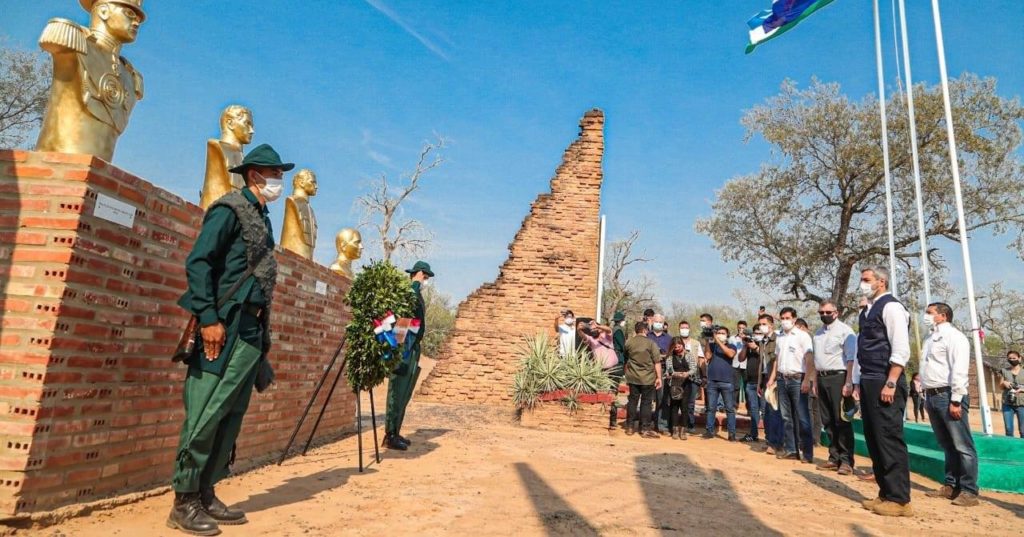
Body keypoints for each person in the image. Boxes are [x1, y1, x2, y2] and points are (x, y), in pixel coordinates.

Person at [170, 144, 293, 535]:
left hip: (252, 330)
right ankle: (184, 499)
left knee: (231, 414)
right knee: (207, 410)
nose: (279, 181)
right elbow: (200, 262)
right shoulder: (229, 209)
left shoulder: (262, 215)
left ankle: (206, 491)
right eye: (274, 174)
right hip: (223, 326)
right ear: (255, 175)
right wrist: (208, 317)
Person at [855, 266, 913, 517]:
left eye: (867, 280)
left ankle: (900, 499)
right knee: (874, 437)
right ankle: (885, 493)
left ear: (882, 282)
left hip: (884, 379)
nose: (862, 284)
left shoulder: (892, 308)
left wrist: (891, 382)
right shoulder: (867, 310)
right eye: (861, 280)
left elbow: (900, 347)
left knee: (888, 437)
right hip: (868, 379)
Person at [919, 302, 980, 507]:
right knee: (947, 444)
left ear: (943, 316)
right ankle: (951, 484)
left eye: (930, 313)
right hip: (931, 395)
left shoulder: (955, 337)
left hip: (948, 395)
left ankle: (969, 490)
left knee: (962, 445)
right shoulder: (929, 339)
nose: (926, 316)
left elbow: (959, 369)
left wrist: (956, 399)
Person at [383, 261, 434, 450]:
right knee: (397, 388)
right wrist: (399, 349)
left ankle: (395, 432)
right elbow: (403, 319)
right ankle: (390, 435)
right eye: (425, 276)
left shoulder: (417, 293)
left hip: (412, 346)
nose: (426, 280)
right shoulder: (409, 292)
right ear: (419, 274)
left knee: (405, 390)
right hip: (404, 346)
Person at [812, 301, 857, 476]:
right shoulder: (818, 334)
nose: (824, 315)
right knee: (827, 420)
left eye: (827, 312)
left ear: (836, 313)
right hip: (822, 378)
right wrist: (815, 382)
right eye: (821, 312)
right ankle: (834, 457)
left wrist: (848, 382)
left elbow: (851, 359)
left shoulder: (846, 332)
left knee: (842, 420)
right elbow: (816, 361)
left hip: (839, 377)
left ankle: (846, 461)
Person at [767, 307, 814, 463]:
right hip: (782, 379)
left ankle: (806, 452)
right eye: (782, 318)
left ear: (794, 319)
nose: (785, 321)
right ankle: (791, 449)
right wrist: (772, 378)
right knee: (786, 416)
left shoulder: (802, 336)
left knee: (802, 417)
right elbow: (777, 359)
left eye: (788, 318)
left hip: (797, 379)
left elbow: (809, 358)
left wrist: (807, 379)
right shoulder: (780, 337)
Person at [624, 322, 663, 438]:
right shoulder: (651, 343)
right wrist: (659, 378)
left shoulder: (629, 342)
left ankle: (630, 427)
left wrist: (627, 373)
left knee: (632, 401)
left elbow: (626, 359)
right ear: (645, 330)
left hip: (633, 377)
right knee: (646, 403)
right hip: (648, 378)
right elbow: (657, 362)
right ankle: (644, 428)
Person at [702, 326, 738, 440]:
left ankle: (732, 433)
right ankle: (709, 431)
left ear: (727, 335)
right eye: (718, 333)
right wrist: (708, 340)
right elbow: (707, 356)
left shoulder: (731, 346)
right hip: (712, 381)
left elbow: (730, 354)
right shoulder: (713, 345)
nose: (720, 334)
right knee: (711, 408)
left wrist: (716, 340)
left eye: (723, 333)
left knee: (729, 409)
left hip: (727, 382)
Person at [755, 314, 782, 454]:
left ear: (771, 325)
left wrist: (774, 379)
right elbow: (761, 363)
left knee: (774, 412)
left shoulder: (777, 339)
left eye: (764, 323)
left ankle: (776, 443)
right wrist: (759, 382)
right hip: (765, 378)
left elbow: (777, 361)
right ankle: (768, 440)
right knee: (765, 412)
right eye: (760, 324)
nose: (762, 326)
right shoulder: (762, 341)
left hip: (775, 380)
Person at [678, 321, 705, 433]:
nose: (684, 329)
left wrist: (704, 375)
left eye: (686, 327)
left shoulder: (696, 343)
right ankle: (677, 424)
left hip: (693, 377)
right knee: (677, 399)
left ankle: (690, 424)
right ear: (679, 329)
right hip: (678, 376)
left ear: (690, 329)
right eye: (682, 328)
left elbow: (701, 359)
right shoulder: (675, 341)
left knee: (690, 402)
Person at [647, 314, 673, 433]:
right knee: (647, 398)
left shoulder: (669, 339)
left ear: (664, 324)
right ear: (652, 322)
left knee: (662, 399)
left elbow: (671, 355)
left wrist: (661, 355)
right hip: (647, 370)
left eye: (660, 322)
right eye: (656, 321)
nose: (658, 324)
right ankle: (646, 424)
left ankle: (661, 425)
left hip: (662, 370)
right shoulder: (646, 336)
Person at [666, 337, 693, 440]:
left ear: (683, 345)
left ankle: (683, 430)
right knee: (674, 407)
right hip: (674, 384)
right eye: (675, 347)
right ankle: (675, 430)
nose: (677, 348)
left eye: (679, 346)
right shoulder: (670, 357)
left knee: (685, 407)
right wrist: (675, 374)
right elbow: (669, 370)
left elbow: (693, 368)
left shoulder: (689, 355)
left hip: (686, 384)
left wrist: (687, 373)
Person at [1000, 351, 1024, 438]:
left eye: (1014, 358)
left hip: (1022, 404)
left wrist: (1022, 389)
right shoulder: (1004, 371)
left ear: (1019, 358)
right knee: (1009, 429)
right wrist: (1004, 383)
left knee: (1023, 430)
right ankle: (1010, 449)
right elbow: (1001, 386)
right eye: (1010, 358)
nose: (1012, 360)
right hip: (1007, 403)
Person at [731, 321, 749, 407]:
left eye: (743, 328)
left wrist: (745, 339)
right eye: (740, 328)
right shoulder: (732, 338)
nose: (741, 330)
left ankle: (749, 406)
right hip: (735, 364)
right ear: (737, 328)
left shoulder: (749, 338)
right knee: (735, 386)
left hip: (746, 364)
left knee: (747, 386)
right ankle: (735, 405)